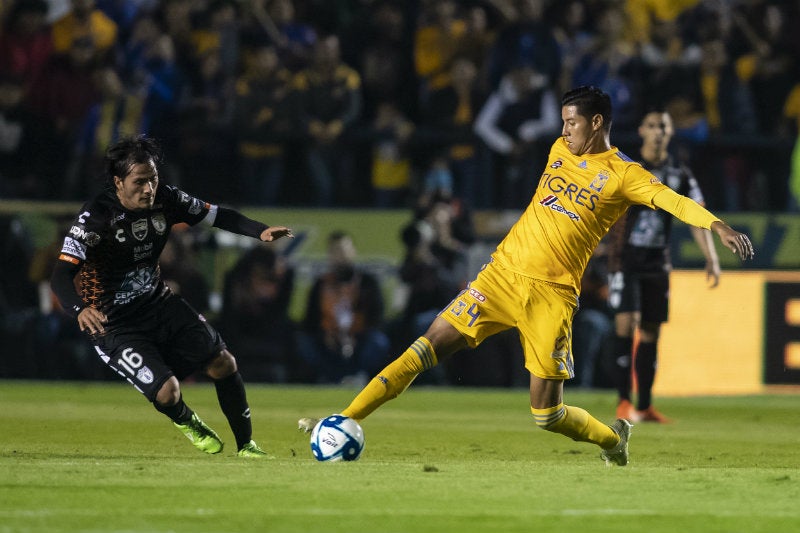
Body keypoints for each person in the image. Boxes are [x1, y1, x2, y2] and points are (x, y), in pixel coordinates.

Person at [299, 86, 754, 467]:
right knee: (426, 344)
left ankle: (614, 440)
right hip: (500, 275)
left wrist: (718, 226)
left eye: (571, 123)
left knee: (546, 414)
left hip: (552, 298)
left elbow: (673, 201)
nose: (562, 132)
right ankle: (342, 419)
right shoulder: (559, 150)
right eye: (561, 123)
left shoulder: (623, 175)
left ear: (596, 122)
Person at [50, 135, 293, 457]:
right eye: (139, 182)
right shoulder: (97, 217)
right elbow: (60, 275)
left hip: (158, 303)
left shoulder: (167, 199)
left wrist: (258, 230)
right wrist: (79, 308)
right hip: (113, 323)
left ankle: (247, 444)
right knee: (167, 393)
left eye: (153, 180)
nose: (148, 189)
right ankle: (187, 421)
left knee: (223, 363)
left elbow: (217, 215)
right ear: (118, 182)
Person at [607, 109, 721, 423]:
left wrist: (711, 257)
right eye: (653, 125)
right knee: (625, 323)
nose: (658, 131)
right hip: (624, 259)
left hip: (658, 262)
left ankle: (644, 407)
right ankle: (622, 402)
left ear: (670, 133)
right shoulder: (627, 170)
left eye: (664, 127)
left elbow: (696, 215)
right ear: (642, 130)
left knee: (651, 330)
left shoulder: (679, 173)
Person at [295, 231, 389, 385]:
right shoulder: (321, 284)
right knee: (303, 342)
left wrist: (357, 338)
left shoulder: (367, 283)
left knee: (378, 341)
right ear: (330, 255)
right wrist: (325, 336)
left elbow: (377, 318)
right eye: (336, 251)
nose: (340, 256)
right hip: (327, 339)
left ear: (353, 252)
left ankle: (358, 375)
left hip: (360, 339)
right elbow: (310, 320)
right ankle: (330, 377)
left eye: (344, 251)